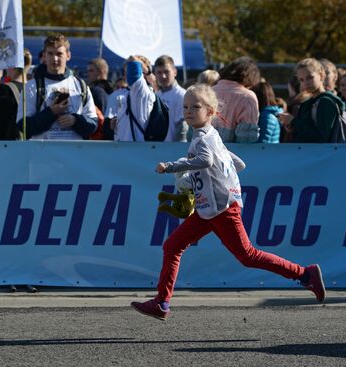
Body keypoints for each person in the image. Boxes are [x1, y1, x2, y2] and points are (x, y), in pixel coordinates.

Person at [130, 84, 326, 321]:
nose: (189, 111)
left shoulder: (203, 139)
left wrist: (172, 167)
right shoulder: (213, 136)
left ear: (211, 112)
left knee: (248, 256)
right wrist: (202, 179)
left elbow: (205, 160)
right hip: (209, 210)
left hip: (221, 210)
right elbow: (239, 164)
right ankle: (162, 302)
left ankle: (305, 274)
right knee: (172, 246)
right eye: (185, 107)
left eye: (196, 106)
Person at [16, 33, 97, 140]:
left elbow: (93, 124)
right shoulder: (31, 86)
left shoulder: (80, 85)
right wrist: (51, 112)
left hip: (73, 154)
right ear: (44, 56)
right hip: (43, 154)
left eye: (59, 54)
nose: (55, 59)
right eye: (50, 53)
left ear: (68, 55)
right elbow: (23, 126)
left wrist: (75, 120)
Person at [278, 58, 346, 143]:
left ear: (321, 75)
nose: (306, 82)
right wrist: (292, 128)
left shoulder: (326, 102)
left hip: (320, 155)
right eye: (301, 80)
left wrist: (293, 121)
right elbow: (306, 134)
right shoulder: (308, 102)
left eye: (310, 77)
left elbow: (321, 139)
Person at [211, 57, 261, 143]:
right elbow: (246, 139)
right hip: (231, 154)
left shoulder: (208, 92)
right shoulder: (247, 97)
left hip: (203, 151)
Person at [0, 48, 32, 140]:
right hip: (32, 147)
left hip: (8, 147)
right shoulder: (34, 88)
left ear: (12, 65)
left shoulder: (3, 90)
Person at [113, 55, 157, 141]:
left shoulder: (141, 91)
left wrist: (149, 72)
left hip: (135, 151)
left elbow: (132, 58)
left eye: (129, 71)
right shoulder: (132, 93)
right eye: (125, 72)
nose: (126, 76)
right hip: (124, 150)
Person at [154, 55, 187, 142]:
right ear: (155, 74)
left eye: (166, 72)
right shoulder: (155, 96)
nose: (163, 76)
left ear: (175, 72)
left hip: (174, 150)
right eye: (159, 72)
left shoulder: (183, 95)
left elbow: (183, 130)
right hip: (156, 149)